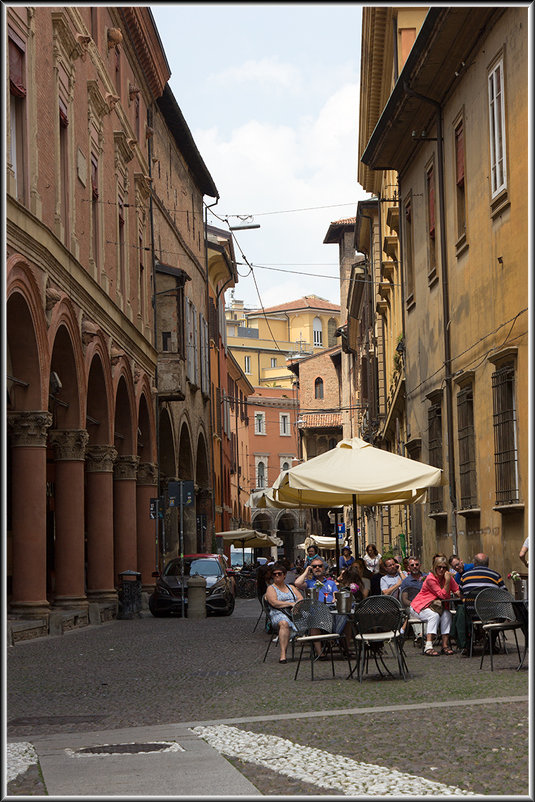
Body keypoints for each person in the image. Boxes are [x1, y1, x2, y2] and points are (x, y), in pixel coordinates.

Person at [410, 554, 460, 656]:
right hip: (420, 606)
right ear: (435, 567)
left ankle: (445, 645)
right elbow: (443, 596)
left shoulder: (447, 577)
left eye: (444, 567)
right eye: (439, 567)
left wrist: (462, 594)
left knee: (447, 614)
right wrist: (447, 582)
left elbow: (457, 590)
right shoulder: (430, 578)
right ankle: (428, 646)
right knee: (434, 616)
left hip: (437, 607)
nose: (441, 570)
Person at [265, 561, 303, 663]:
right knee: (284, 623)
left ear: (284, 575)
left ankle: (319, 651)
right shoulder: (271, 588)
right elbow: (274, 602)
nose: (277, 576)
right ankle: (283, 654)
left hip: (294, 612)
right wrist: (290, 604)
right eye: (274, 574)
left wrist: (296, 606)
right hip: (278, 613)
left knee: (313, 617)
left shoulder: (291, 588)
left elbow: (300, 598)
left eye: (279, 574)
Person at [400, 557, 427, 642]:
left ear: (420, 565)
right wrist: (414, 604)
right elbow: (404, 600)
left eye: (417, 564)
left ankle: (425, 635)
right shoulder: (406, 581)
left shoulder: (427, 577)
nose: (415, 566)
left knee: (429, 613)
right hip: (412, 605)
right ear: (408, 567)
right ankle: (420, 635)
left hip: (426, 604)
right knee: (413, 611)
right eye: (412, 565)